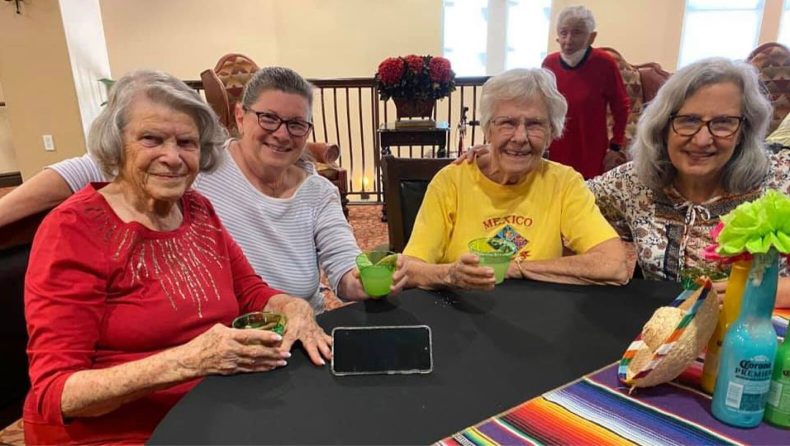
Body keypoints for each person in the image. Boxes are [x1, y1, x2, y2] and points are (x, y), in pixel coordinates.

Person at [23, 70, 332, 444]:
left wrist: (293, 306)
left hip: (212, 407)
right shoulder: (73, 229)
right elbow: (57, 393)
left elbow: (250, 289)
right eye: (151, 139)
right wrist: (189, 361)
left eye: (186, 142)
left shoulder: (196, 208)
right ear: (117, 145)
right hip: (121, 433)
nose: (172, 157)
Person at [0, 66, 406, 312]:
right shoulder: (196, 160)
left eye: (296, 124)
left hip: (296, 335)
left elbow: (344, 269)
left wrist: (369, 280)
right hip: (212, 338)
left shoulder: (318, 193)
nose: (282, 135)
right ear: (242, 116)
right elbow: (84, 169)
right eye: (269, 119)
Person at [586, 57, 790, 308]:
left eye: (723, 123)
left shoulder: (780, 179)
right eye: (689, 120)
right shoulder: (632, 182)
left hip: (762, 337)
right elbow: (565, 201)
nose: (703, 140)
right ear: (663, 126)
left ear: (743, 131)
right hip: (663, 336)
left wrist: (778, 291)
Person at [402, 68, 629, 290]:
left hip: (538, 317)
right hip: (464, 313)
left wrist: (515, 268)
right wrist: (450, 274)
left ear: (551, 133)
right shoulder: (450, 181)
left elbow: (614, 265)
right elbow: (409, 268)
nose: (520, 137)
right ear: (488, 129)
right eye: (507, 123)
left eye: (534, 124)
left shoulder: (564, 182)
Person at [542, 5, 630, 179]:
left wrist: (615, 145)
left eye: (577, 32)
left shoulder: (604, 63)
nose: (568, 40)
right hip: (557, 145)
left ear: (591, 37)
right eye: (563, 32)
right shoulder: (549, 63)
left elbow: (621, 106)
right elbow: (541, 105)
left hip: (590, 148)